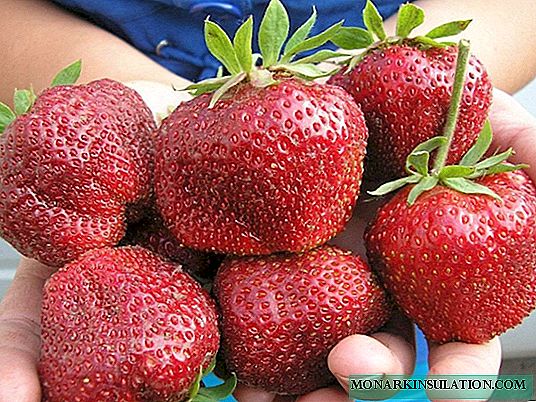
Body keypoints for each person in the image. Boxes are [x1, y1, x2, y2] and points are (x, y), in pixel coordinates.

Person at [0, 1, 535, 401]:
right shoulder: (274, 124)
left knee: (377, 376)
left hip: (382, 273)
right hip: (173, 179)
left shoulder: (323, 119)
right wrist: (172, 126)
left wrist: (406, 76)